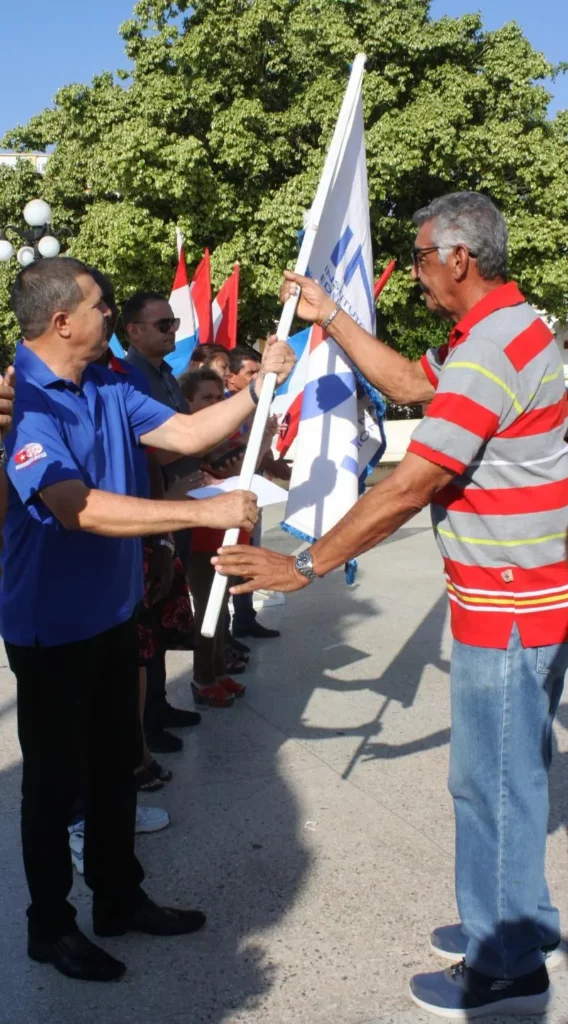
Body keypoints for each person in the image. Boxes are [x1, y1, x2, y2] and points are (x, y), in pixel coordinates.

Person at [213, 192, 568, 1019]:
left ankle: (507, 963)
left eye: (417, 259)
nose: (413, 274)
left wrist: (305, 562)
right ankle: (521, 924)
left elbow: (415, 481)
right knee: (513, 775)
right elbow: (411, 382)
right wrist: (332, 317)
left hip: (509, 605)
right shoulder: (501, 333)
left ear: (459, 258)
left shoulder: (492, 348)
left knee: (493, 785)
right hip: (523, 598)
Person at [2, 256, 294, 983]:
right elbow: (80, 509)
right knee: (53, 785)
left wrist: (259, 388)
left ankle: (119, 898)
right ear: (62, 319)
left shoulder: (106, 381)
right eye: (102, 306)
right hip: (49, 626)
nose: (113, 316)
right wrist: (204, 509)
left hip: (109, 611)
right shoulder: (19, 403)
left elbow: (187, 436)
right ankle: (50, 927)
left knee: (115, 768)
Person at [121, 291, 205, 751]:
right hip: (156, 508)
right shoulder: (129, 380)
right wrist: (195, 443)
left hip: (182, 503)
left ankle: (159, 703)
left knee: (165, 609)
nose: (173, 331)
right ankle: (146, 722)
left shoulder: (165, 374)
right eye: (164, 325)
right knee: (146, 618)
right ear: (133, 332)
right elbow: (150, 446)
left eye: (173, 323)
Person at [225, 346, 285, 640]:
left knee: (248, 556)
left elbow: (261, 457)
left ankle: (245, 619)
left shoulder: (257, 408)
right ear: (231, 377)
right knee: (228, 560)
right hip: (226, 499)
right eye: (251, 373)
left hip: (253, 494)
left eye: (258, 372)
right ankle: (220, 637)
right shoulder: (224, 409)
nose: (257, 378)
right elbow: (236, 454)